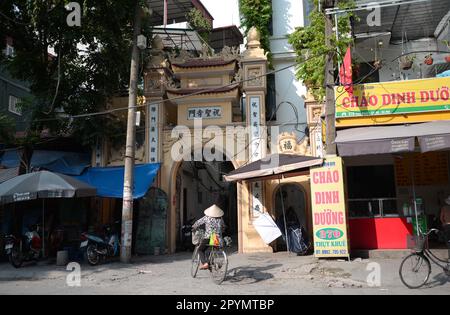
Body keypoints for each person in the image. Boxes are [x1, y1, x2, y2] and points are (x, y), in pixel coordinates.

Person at [192, 205, 225, 270]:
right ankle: (212, 262)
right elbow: (223, 226)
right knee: (213, 249)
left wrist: (193, 227)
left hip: (209, 237)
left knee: (200, 250)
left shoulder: (206, 218)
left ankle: (205, 263)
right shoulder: (220, 219)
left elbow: (198, 223)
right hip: (217, 238)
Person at [440, 196, 450, 261]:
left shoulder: (444, 208)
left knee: (448, 242)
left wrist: (443, 223)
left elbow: (441, 218)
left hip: (447, 226)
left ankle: (449, 257)